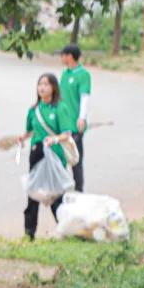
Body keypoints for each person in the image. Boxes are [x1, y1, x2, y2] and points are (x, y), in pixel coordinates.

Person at [18, 73, 72, 240]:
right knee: (33, 193)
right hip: (37, 154)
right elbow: (29, 130)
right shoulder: (33, 110)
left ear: (54, 87)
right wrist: (23, 137)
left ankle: (65, 229)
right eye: (40, 84)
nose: (42, 87)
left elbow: (67, 134)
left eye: (46, 84)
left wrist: (54, 139)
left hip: (55, 156)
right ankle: (29, 233)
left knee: (56, 195)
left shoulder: (60, 108)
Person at [59, 44, 91, 190]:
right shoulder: (65, 73)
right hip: (63, 124)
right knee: (61, 157)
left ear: (70, 56)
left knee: (75, 158)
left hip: (75, 124)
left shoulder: (83, 74)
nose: (61, 58)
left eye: (63, 55)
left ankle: (79, 189)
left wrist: (82, 118)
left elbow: (85, 96)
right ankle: (63, 187)